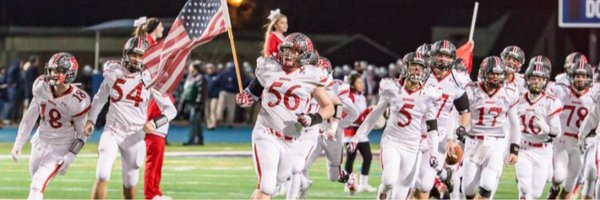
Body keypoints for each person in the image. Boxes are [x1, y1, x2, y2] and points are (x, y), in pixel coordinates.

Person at [236, 32, 334, 200]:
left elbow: (329, 107)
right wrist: (245, 98)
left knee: (272, 186)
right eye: (286, 49)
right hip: (266, 133)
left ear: (303, 55)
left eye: (294, 51)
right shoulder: (269, 68)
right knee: (266, 185)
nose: (288, 54)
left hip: (292, 139)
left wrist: (313, 118)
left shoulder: (311, 76)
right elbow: (252, 93)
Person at [86, 37, 177, 199]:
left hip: (135, 134)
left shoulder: (151, 78)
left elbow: (171, 110)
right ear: (125, 54)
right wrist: (91, 120)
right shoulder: (114, 72)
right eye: (133, 54)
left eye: (140, 56)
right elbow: (99, 98)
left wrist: (155, 123)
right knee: (102, 174)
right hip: (113, 130)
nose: (136, 59)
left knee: (129, 183)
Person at [349, 52, 443, 199]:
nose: (417, 70)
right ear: (405, 68)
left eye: (420, 67)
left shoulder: (429, 94)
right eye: (414, 66)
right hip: (392, 141)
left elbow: (432, 126)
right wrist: (357, 137)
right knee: (388, 180)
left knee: (403, 189)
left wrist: (434, 152)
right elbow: (374, 115)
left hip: (412, 146)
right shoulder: (391, 88)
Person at [11, 52, 91, 199]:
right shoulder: (41, 86)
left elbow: (82, 133)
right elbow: (29, 118)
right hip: (40, 142)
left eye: (59, 70)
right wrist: (19, 143)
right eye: (53, 69)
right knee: (36, 184)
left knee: (37, 184)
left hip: (61, 146)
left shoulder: (78, 100)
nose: (54, 74)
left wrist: (71, 156)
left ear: (70, 73)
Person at [416, 40, 471, 199]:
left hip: (436, 136)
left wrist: (462, 128)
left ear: (452, 59)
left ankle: (442, 175)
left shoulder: (456, 81)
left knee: (425, 183)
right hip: (413, 132)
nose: (442, 59)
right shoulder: (421, 74)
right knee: (407, 180)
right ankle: (442, 175)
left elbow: (464, 110)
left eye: (447, 56)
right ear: (433, 56)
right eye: (440, 55)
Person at [298, 57, 359, 199]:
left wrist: (336, 127)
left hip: (332, 135)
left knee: (333, 176)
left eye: (319, 70)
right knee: (301, 166)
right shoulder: (308, 84)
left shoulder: (335, 89)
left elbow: (350, 111)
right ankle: (300, 195)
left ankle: (350, 178)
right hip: (313, 133)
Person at [462, 56, 520, 200]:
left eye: (499, 73)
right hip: (473, 141)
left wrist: (514, 148)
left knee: (487, 184)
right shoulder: (471, 90)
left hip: (496, 142)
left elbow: (514, 123)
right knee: (468, 188)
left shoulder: (509, 92)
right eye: (492, 73)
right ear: (483, 73)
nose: (495, 77)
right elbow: (460, 113)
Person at [515, 58, 563, 199]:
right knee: (524, 187)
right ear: (527, 79)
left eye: (540, 79)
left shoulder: (551, 102)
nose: (536, 82)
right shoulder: (518, 99)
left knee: (536, 192)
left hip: (542, 150)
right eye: (534, 78)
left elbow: (557, 132)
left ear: (545, 81)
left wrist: (546, 128)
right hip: (523, 148)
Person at [549, 59, 595, 199]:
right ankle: (554, 189)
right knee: (559, 176)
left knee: (570, 184)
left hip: (579, 145)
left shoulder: (593, 97)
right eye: (577, 75)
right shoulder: (561, 91)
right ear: (571, 77)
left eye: (583, 76)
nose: (580, 79)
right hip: (561, 141)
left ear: (588, 78)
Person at [341, 72, 378, 195]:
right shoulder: (349, 96)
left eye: (362, 82)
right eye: (358, 82)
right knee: (350, 159)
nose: (362, 85)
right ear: (352, 84)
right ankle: (348, 184)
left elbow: (361, 116)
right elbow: (350, 116)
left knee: (368, 157)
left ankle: (364, 184)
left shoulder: (362, 96)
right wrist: (368, 112)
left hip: (360, 133)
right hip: (350, 133)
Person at [144, 95, 174, 200]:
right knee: (153, 164)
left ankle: (155, 191)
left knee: (157, 165)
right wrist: (152, 124)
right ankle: (150, 194)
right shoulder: (158, 90)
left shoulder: (163, 91)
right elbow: (152, 110)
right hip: (154, 131)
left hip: (160, 132)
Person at [182, 62, 206, 145]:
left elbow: (201, 92)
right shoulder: (194, 77)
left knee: (193, 122)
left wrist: (198, 103)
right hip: (193, 103)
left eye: (191, 67)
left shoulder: (199, 77)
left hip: (196, 104)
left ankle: (192, 140)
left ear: (195, 68)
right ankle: (200, 139)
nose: (189, 68)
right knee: (197, 122)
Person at [204, 63, 219, 129]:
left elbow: (220, 86)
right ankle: (208, 124)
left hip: (214, 96)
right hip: (206, 96)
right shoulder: (205, 77)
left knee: (213, 110)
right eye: (208, 68)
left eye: (211, 68)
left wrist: (217, 92)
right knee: (207, 110)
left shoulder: (217, 76)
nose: (210, 69)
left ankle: (213, 124)